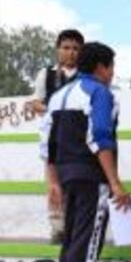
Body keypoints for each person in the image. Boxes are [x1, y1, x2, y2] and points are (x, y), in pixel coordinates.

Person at [40, 42, 131, 262]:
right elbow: (100, 137)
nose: (112, 73)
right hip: (92, 177)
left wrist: (53, 181)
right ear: (101, 67)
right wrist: (115, 182)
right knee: (88, 241)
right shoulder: (99, 92)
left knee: (72, 240)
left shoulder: (58, 95)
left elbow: (47, 144)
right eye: (111, 67)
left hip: (66, 176)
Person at [28, 29, 84, 243]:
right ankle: (58, 228)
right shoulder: (46, 74)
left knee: (77, 183)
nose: (71, 52)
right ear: (58, 49)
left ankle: (76, 227)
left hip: (79, 139)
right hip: (53, 138)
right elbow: (35, 103)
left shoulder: (86, 75)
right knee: (54, 185)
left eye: (75, 48)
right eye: (66, 48)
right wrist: (54, 109)